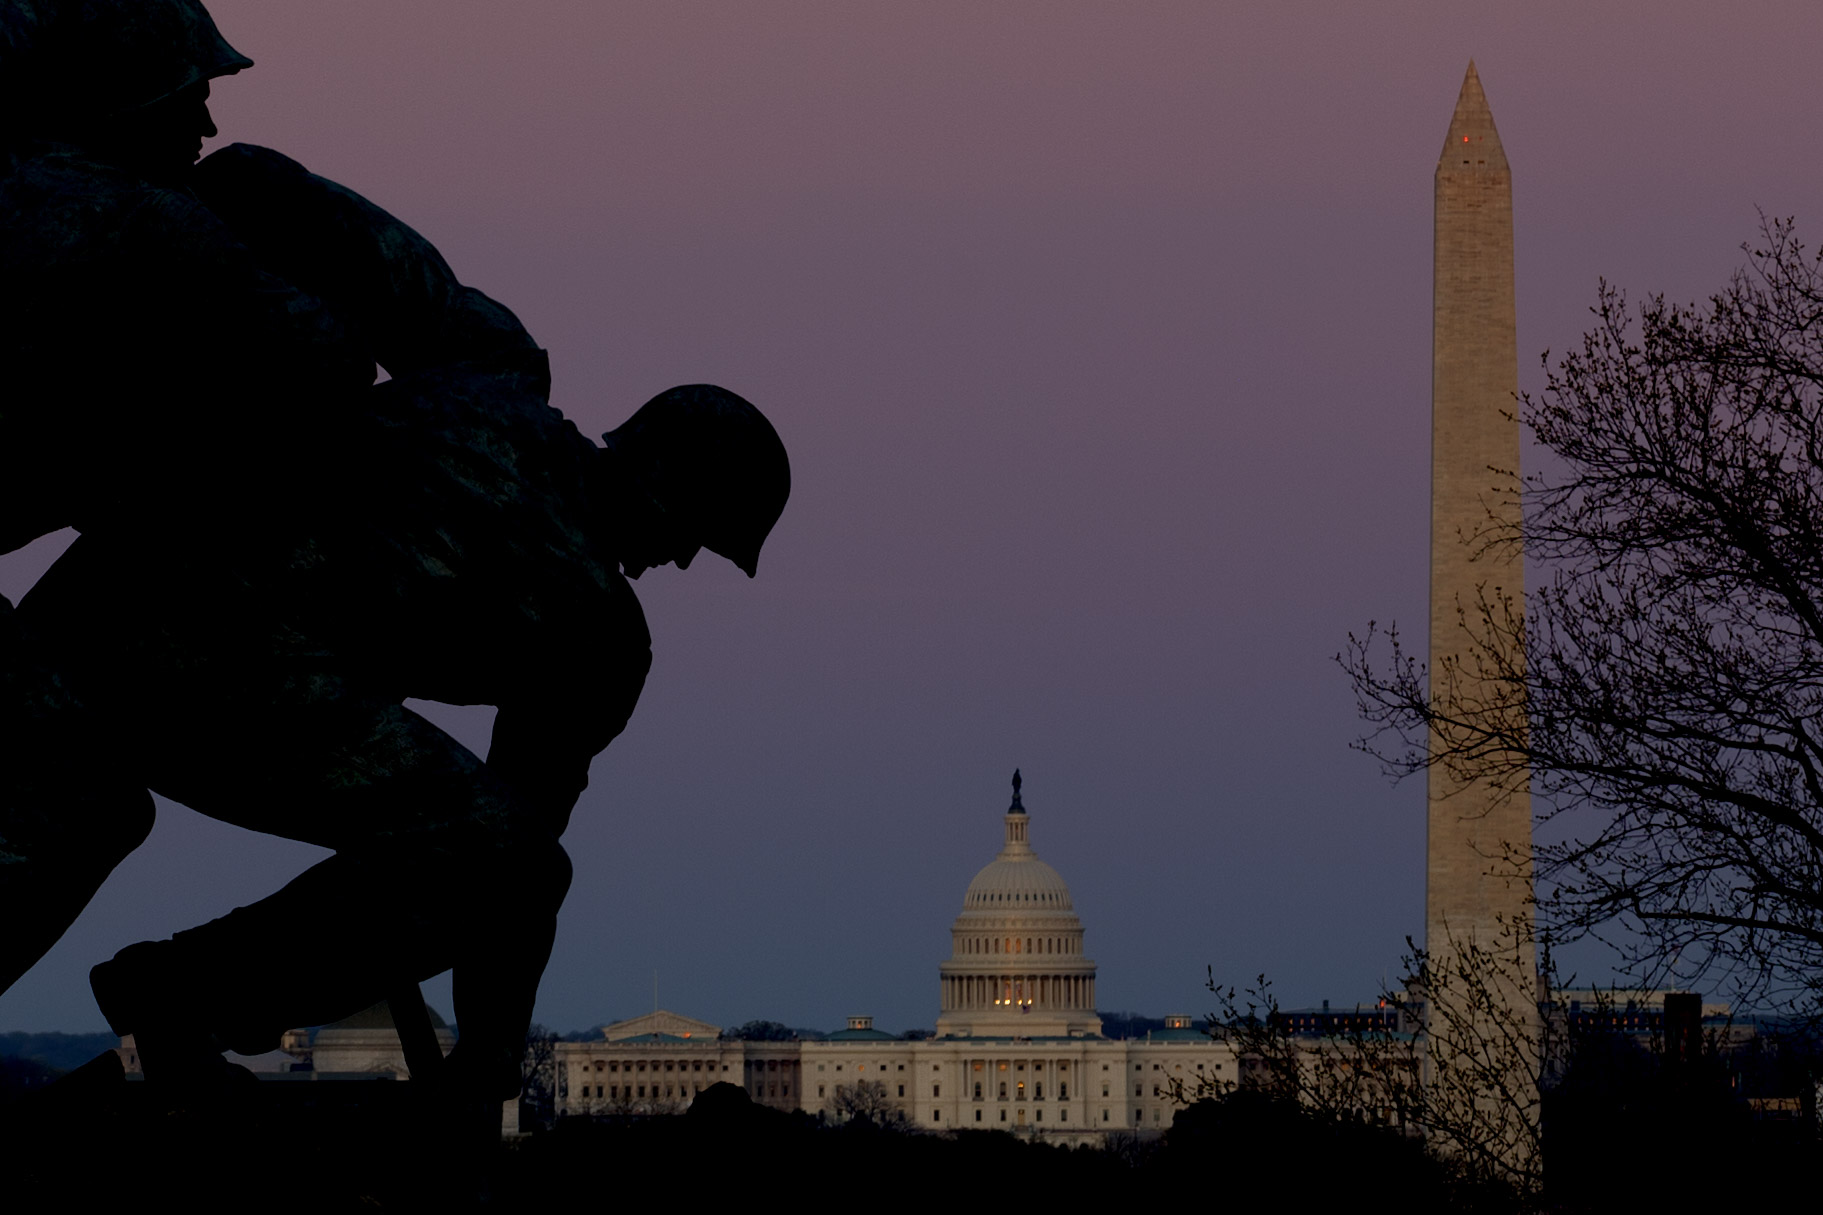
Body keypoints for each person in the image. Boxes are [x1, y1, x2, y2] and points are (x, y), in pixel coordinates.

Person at [1, 0, 791, 1103]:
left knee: (68, 819)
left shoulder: (486, 367)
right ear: (673, 498)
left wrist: (164, 219)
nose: (678, 562)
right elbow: (514, 872)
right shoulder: (597, 637)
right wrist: (484, 1069)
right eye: (698, 540)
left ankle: (179, 997)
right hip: (217, 662)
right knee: (499, 858)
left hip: (102, 611)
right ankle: (181, 994)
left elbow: (267, 189)